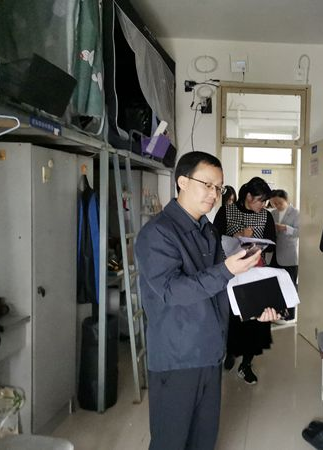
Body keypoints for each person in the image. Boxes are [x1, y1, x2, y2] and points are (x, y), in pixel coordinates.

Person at [135, 152, 279, 450]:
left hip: (210, 351)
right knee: (171, 441)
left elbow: (221, 288)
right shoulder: (158, 233)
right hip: (178, 357)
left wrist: (254, 309)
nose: (214, 194)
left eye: (219, 187)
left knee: (204, 438)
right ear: (182, 182)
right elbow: (172, 291)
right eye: (208, 185)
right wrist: (226, 269)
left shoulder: (208, 230)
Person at [214, 177, 277, 384]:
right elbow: (214, 239)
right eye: (261, 200)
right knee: (231, 317)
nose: (263, 205)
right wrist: (238, 235)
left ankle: (246, 364)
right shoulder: (227, 211)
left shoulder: (266, 216)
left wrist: (256, 244)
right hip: (230, 274)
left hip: (255, 274)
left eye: (265, 201)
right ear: (249, 196)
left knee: (255, 320)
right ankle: (230, 352)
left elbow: (272, 243)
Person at [269, 189, 300, 320]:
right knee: (275, 285)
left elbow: (300, 232)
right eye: (274, 203)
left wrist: (286, 228)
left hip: (289, 256)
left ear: (286, 200)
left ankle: (290, 315)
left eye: (279, 203)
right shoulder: (272, 213)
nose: (276, 205)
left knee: (289, 285)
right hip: (274, 254)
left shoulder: (296, 213)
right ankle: (277, 313)